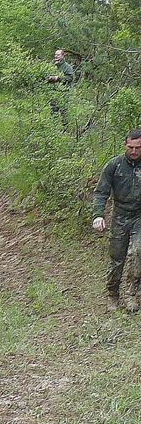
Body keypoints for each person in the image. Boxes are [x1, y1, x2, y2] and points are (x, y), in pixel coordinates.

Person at [92, 129, 141, 311]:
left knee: (138, 252)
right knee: (117, 259)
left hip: (139, 217)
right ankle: (112, 294)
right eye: (131, 147)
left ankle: (131, 295)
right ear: (125, 145)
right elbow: (101, 192)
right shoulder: (114, 165)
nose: (134, 151)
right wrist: (98, 215)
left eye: (138, 147)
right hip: (120, 216)